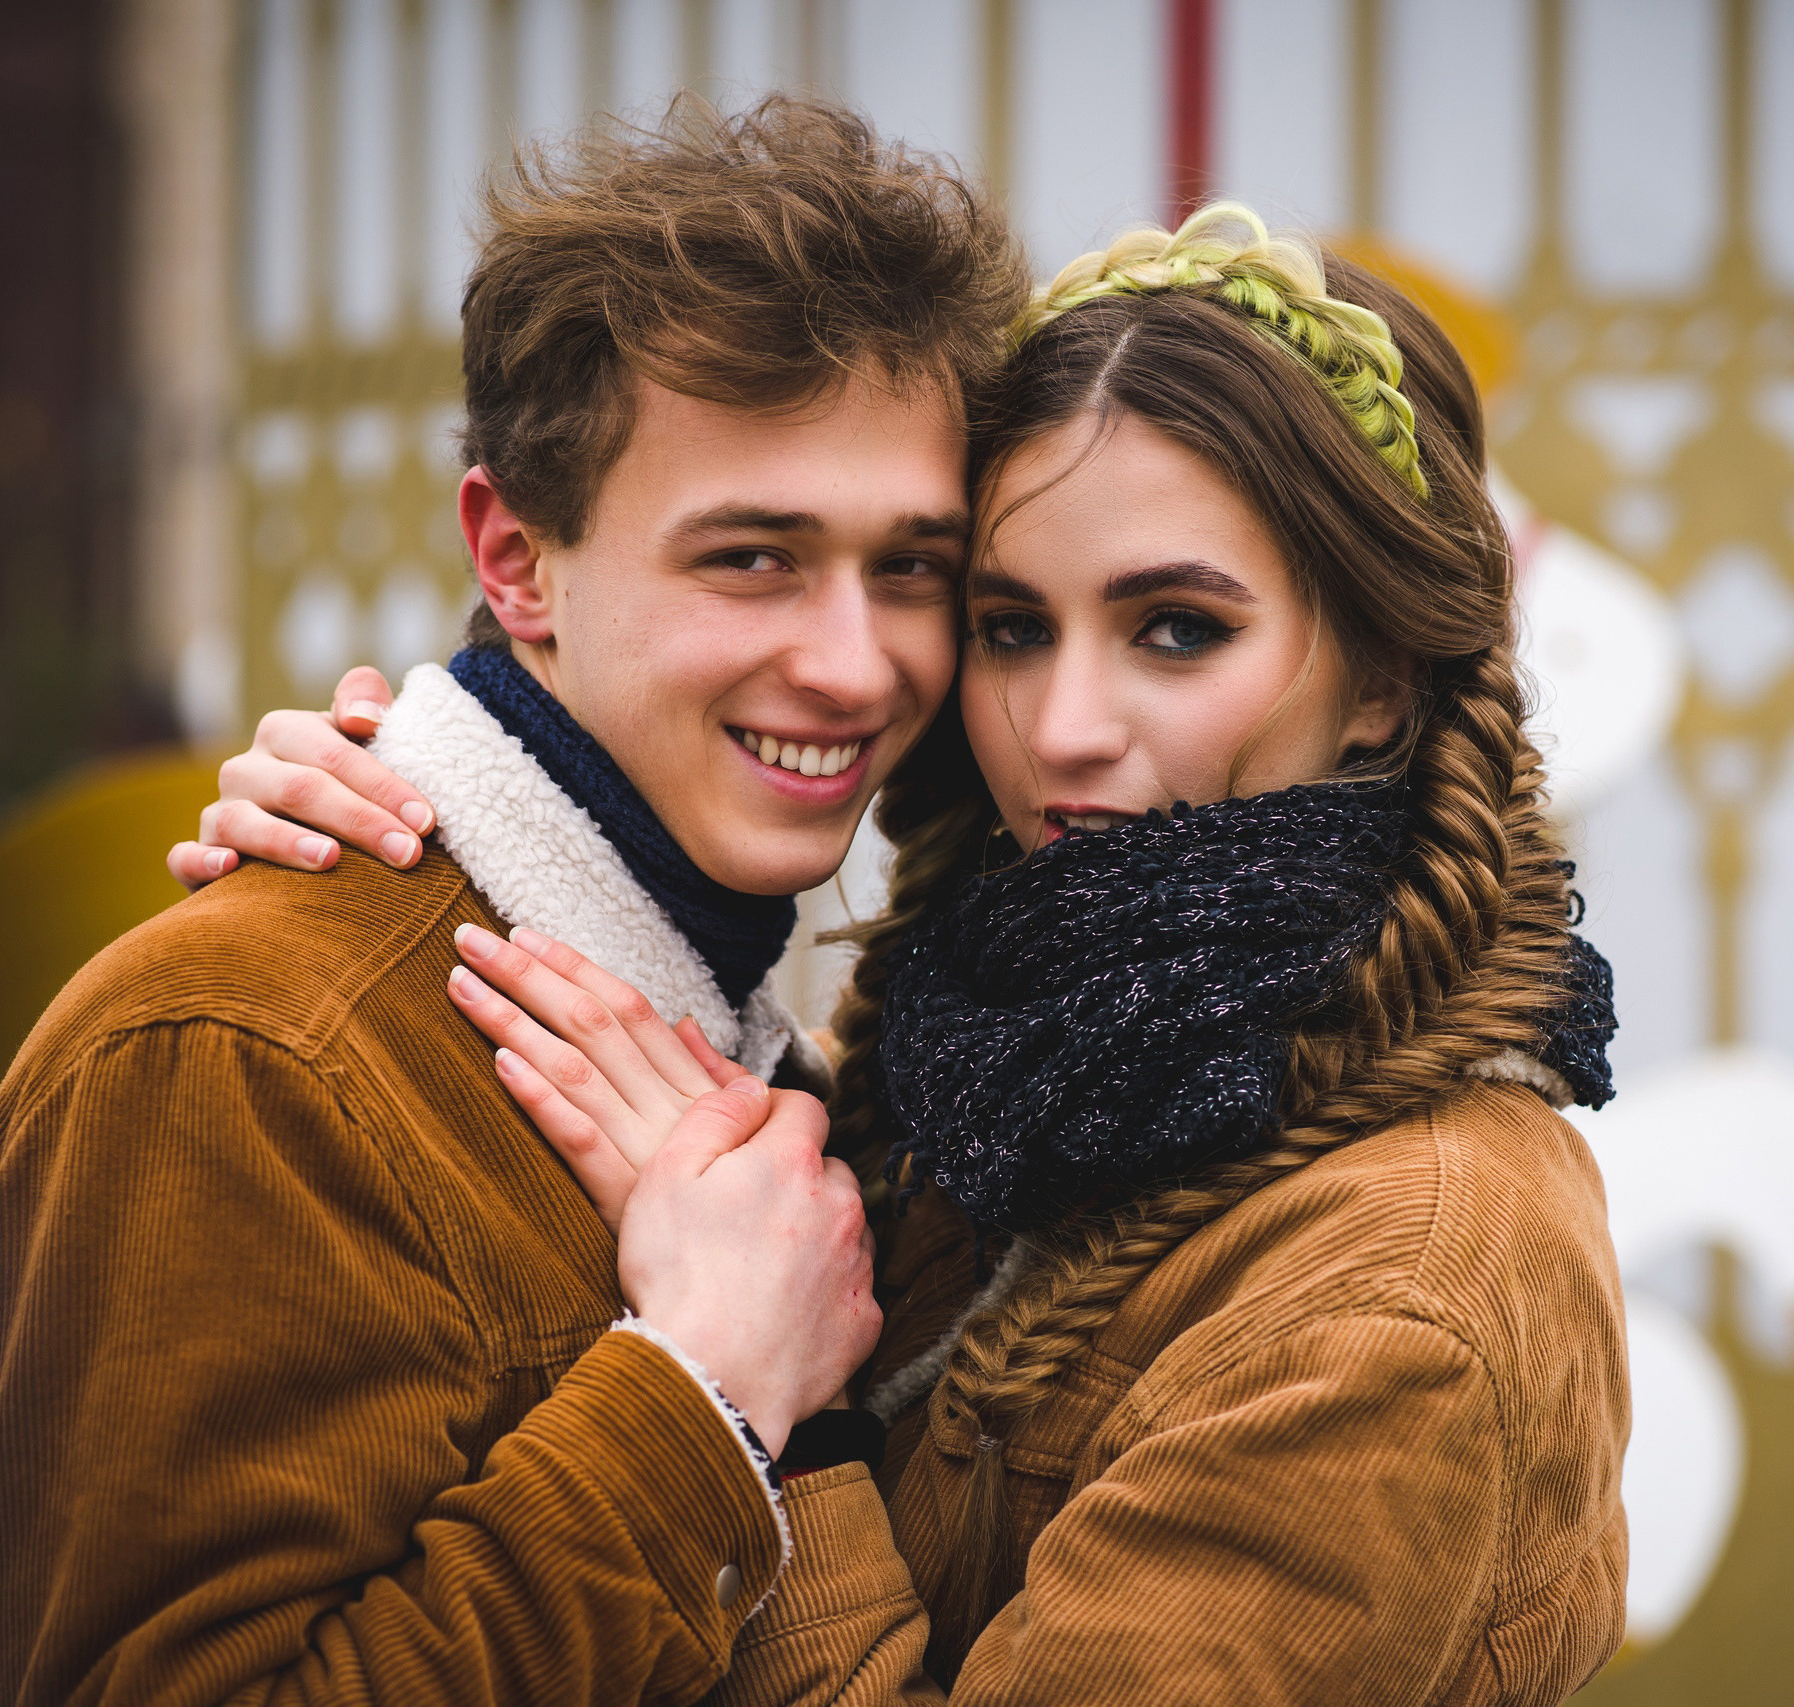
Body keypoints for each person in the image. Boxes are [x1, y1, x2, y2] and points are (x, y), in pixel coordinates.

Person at [186, 205, 1630, 1704]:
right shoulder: (1022, 1072)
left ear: (1384, 684)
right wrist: (434, 777)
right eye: (1010, 627)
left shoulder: (1400, 1288)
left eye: (1179, 631)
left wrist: (758, 1415)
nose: (1062, 729)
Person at [0, 98, 1027, 1706]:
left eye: (911, 566)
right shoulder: (234, 1058)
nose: (857, 664)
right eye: (752, 559)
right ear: (515, 559)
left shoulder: (792, 1066)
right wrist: (702, 1399)